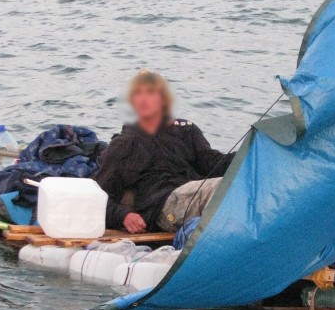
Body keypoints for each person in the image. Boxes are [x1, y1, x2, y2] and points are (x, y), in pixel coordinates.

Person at [93, 70, 234, 233]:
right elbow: (99, 196)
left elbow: (213, 164)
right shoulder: (125, 143)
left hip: (195, 191)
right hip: (163, 206)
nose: (144, 99)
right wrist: (124, 215)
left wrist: (249, 153)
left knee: (237, 181)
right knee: (221, 187)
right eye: (138, 94)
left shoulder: (187, 130)